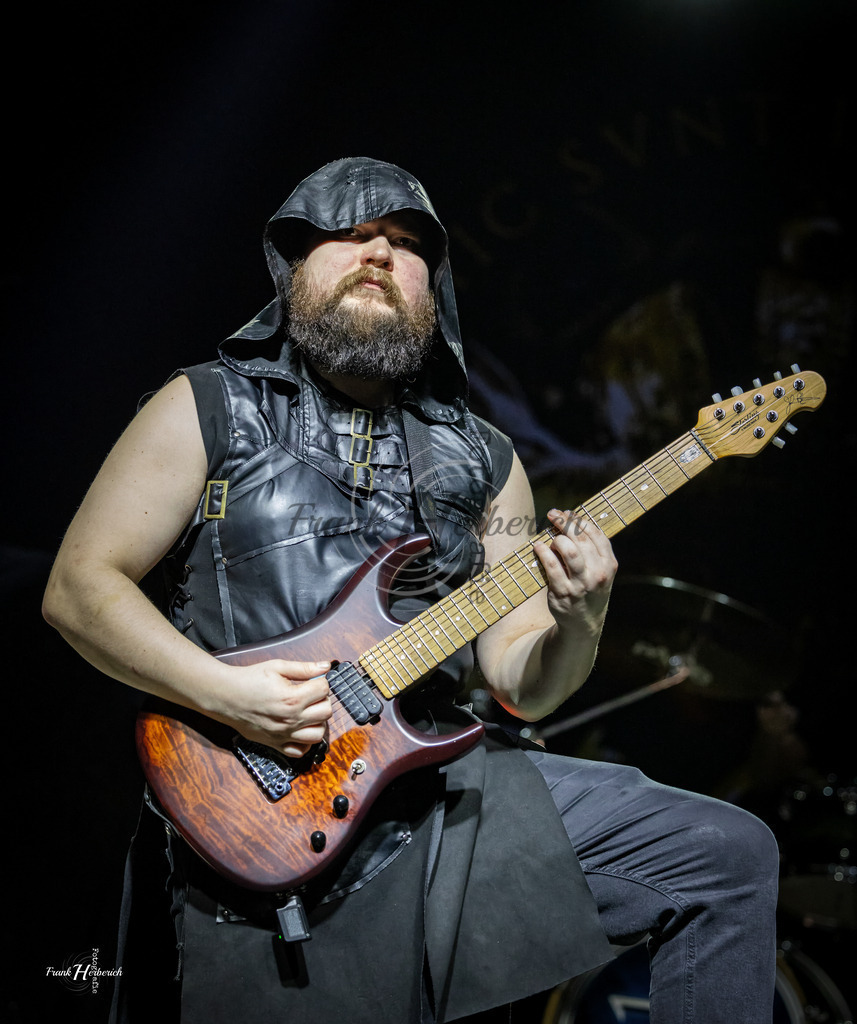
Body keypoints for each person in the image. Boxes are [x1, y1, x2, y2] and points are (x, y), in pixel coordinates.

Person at [42, 157, 779, 1023]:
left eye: (403, 243)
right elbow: (80, 587)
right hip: (263, 798)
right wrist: (231, 696)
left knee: (723, 852)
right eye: (350, 236)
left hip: (451, 792)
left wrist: (581, 615)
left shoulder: (488, 459)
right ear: (292, 268)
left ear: (434, 287)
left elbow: (520, 683)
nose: (379, 254)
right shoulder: (205, 405)